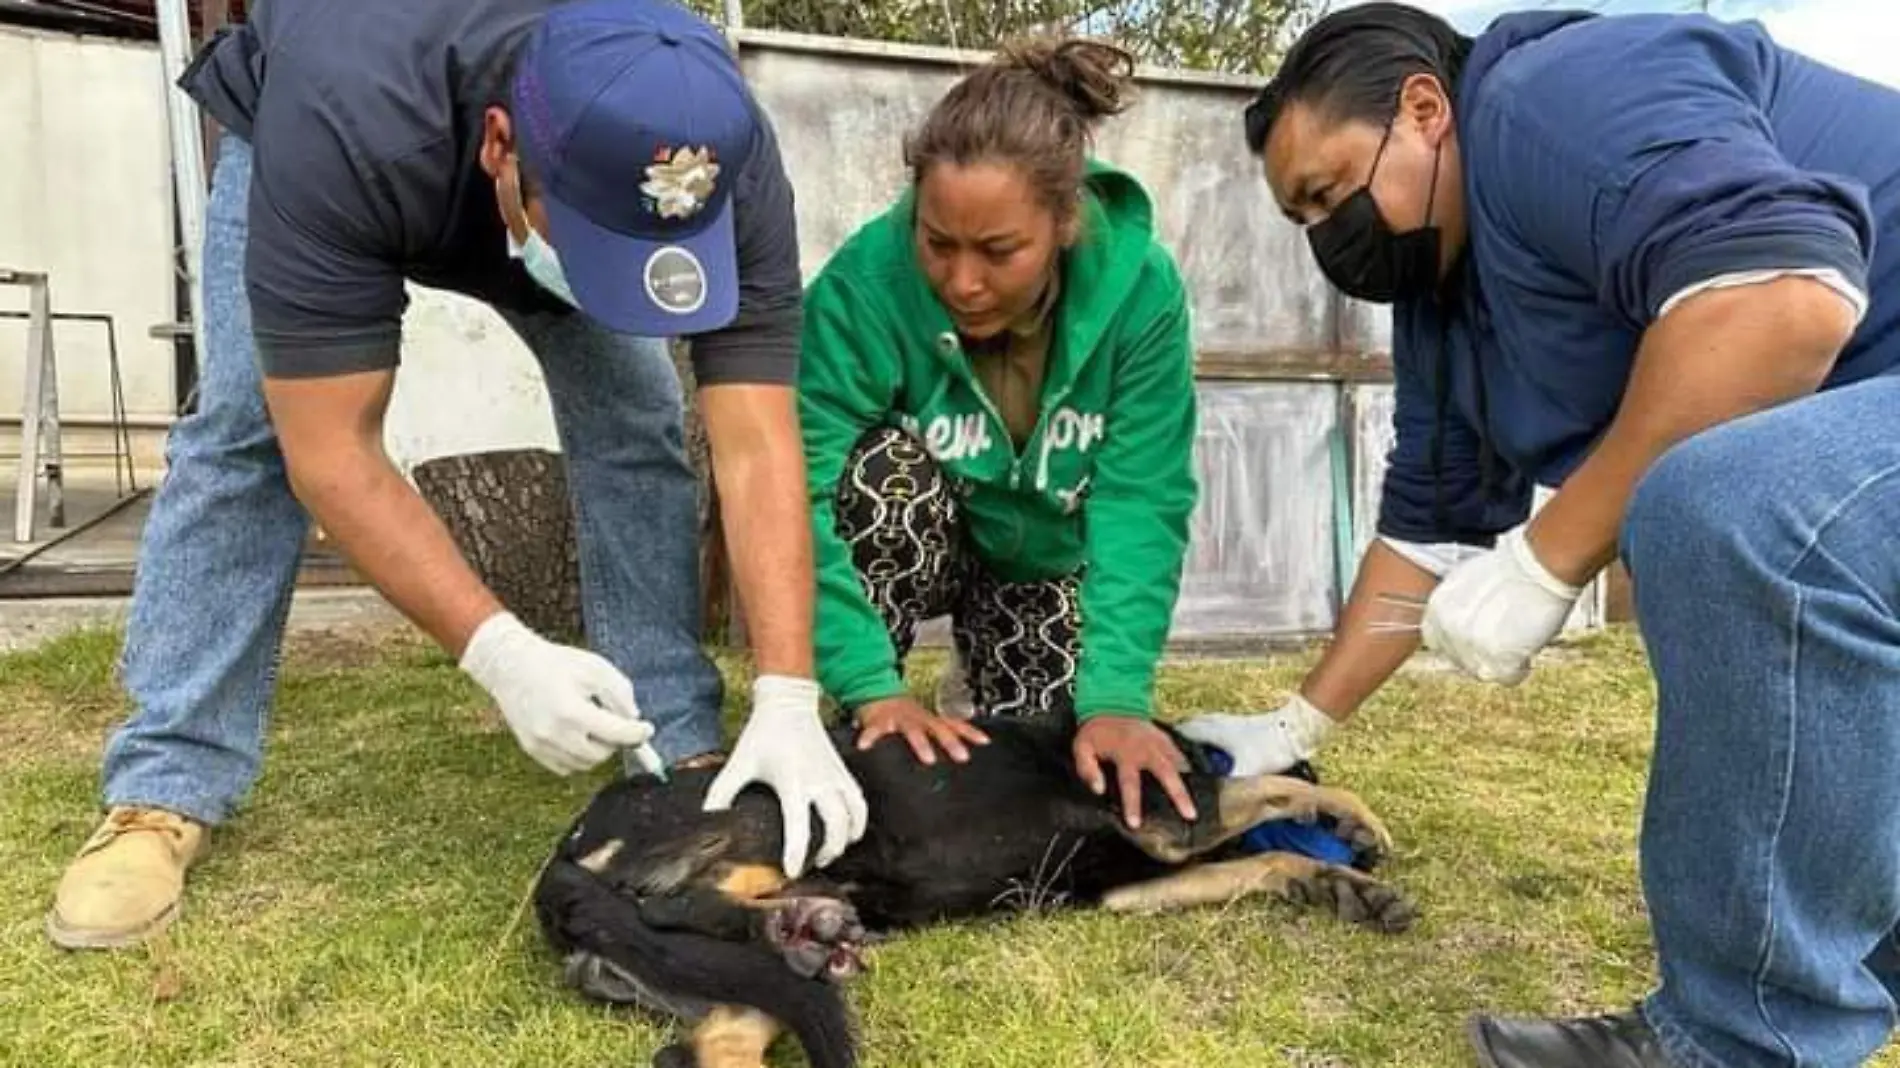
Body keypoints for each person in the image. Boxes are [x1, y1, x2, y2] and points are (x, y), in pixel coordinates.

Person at [46, 0, 869, 952]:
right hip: (332, 127)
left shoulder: (708, 146)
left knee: (638, 418)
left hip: (542, 178)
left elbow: (758, 443)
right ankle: (165, 783)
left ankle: (675, 745)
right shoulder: (347, 120)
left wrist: (787, 695)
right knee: (249, 429)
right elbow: (330, 449)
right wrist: (501, 654)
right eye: (605, 248)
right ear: (501, 147)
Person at [1192, 4, 1900, 1066]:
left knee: (1724, 509)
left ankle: (1733, 1044)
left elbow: (1779, 301)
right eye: (1303, 219)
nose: (1326, 236)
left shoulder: (1554, 98)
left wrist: (1548, 552)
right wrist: (1294, 726)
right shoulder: (1446, 307)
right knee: (1718, 542)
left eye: (1329, 192)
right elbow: (1423, 542)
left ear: (1424, 109)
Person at [796, 37, 1204, 831]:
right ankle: (862, 701)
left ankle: (981, 667)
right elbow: (794, 486)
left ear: (1064, 224)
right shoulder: (863, 285)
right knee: (884, 475)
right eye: (937, 242)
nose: (961, 281)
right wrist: (870, 681)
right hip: (920, 530)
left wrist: (1117, 698)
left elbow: (1140, 497)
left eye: (999, 251)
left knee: (1048, 755)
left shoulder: (1142, 291)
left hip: (1041, 558)